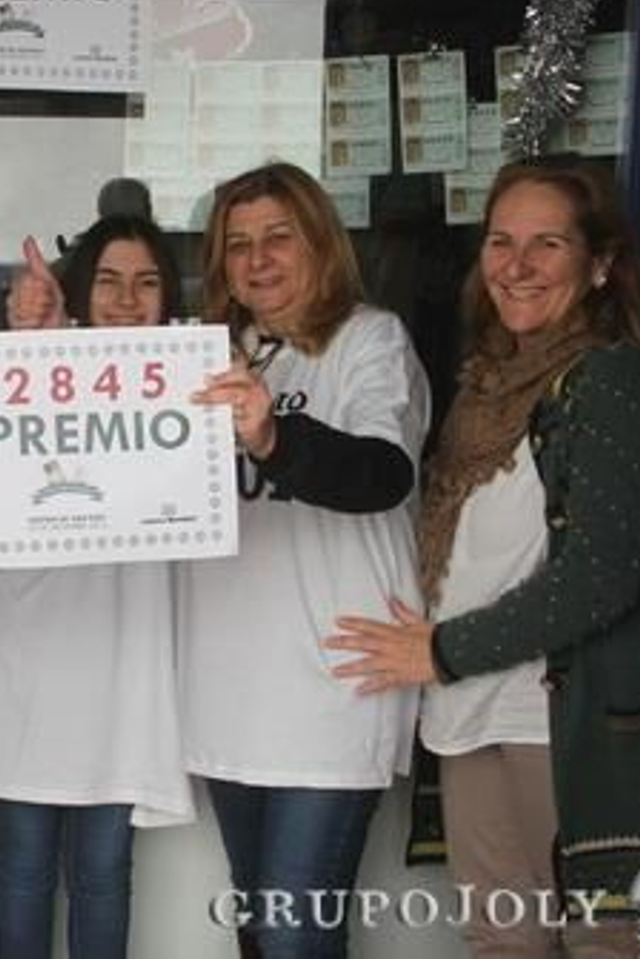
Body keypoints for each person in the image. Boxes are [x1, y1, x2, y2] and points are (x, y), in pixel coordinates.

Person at [325, 156, 640, 956]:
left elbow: (601, 576)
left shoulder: (616, 383)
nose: (516, 267)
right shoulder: (488, 384)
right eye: (500, 241)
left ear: (600, 265)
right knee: (503, 944)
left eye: (547, 244)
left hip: (564, 722)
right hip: (469, 713)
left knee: (606, 944)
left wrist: (442, 650)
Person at [183, 161, 431, 957]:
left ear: (321, 243)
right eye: (238, 244)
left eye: (278, 238)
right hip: (230, 690)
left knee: (295, 939)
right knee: (260, 935)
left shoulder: (371, 338)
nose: (256, 260)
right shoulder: (222, 352)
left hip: (330, 690)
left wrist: (273, 437)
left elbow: (381, 474)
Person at [0, 216, 195, 959]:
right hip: (29, 647)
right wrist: (33, 338)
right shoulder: (34, 374)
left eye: (146, 283)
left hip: (124, 656)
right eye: (108, 282)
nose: (126, 300)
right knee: (20, 863)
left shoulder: (191, 385)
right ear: (81, 293)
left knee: (104, 870)